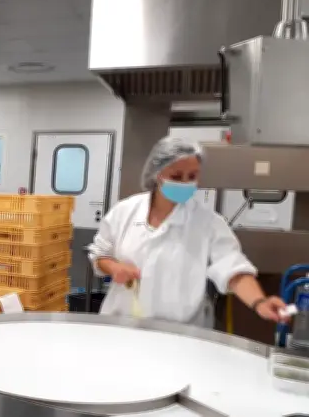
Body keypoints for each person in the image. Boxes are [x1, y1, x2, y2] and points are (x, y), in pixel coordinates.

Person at [88, 136, 287, 327]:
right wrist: (114, 268)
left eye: (192, 177)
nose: (185, 183)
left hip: (181, 332)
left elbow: (233, 269)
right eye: (176, 176)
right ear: (157, 174)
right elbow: (100, 255)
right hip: (122, 324)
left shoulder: (208, 223)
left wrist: (259, 302)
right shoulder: (125, 211)